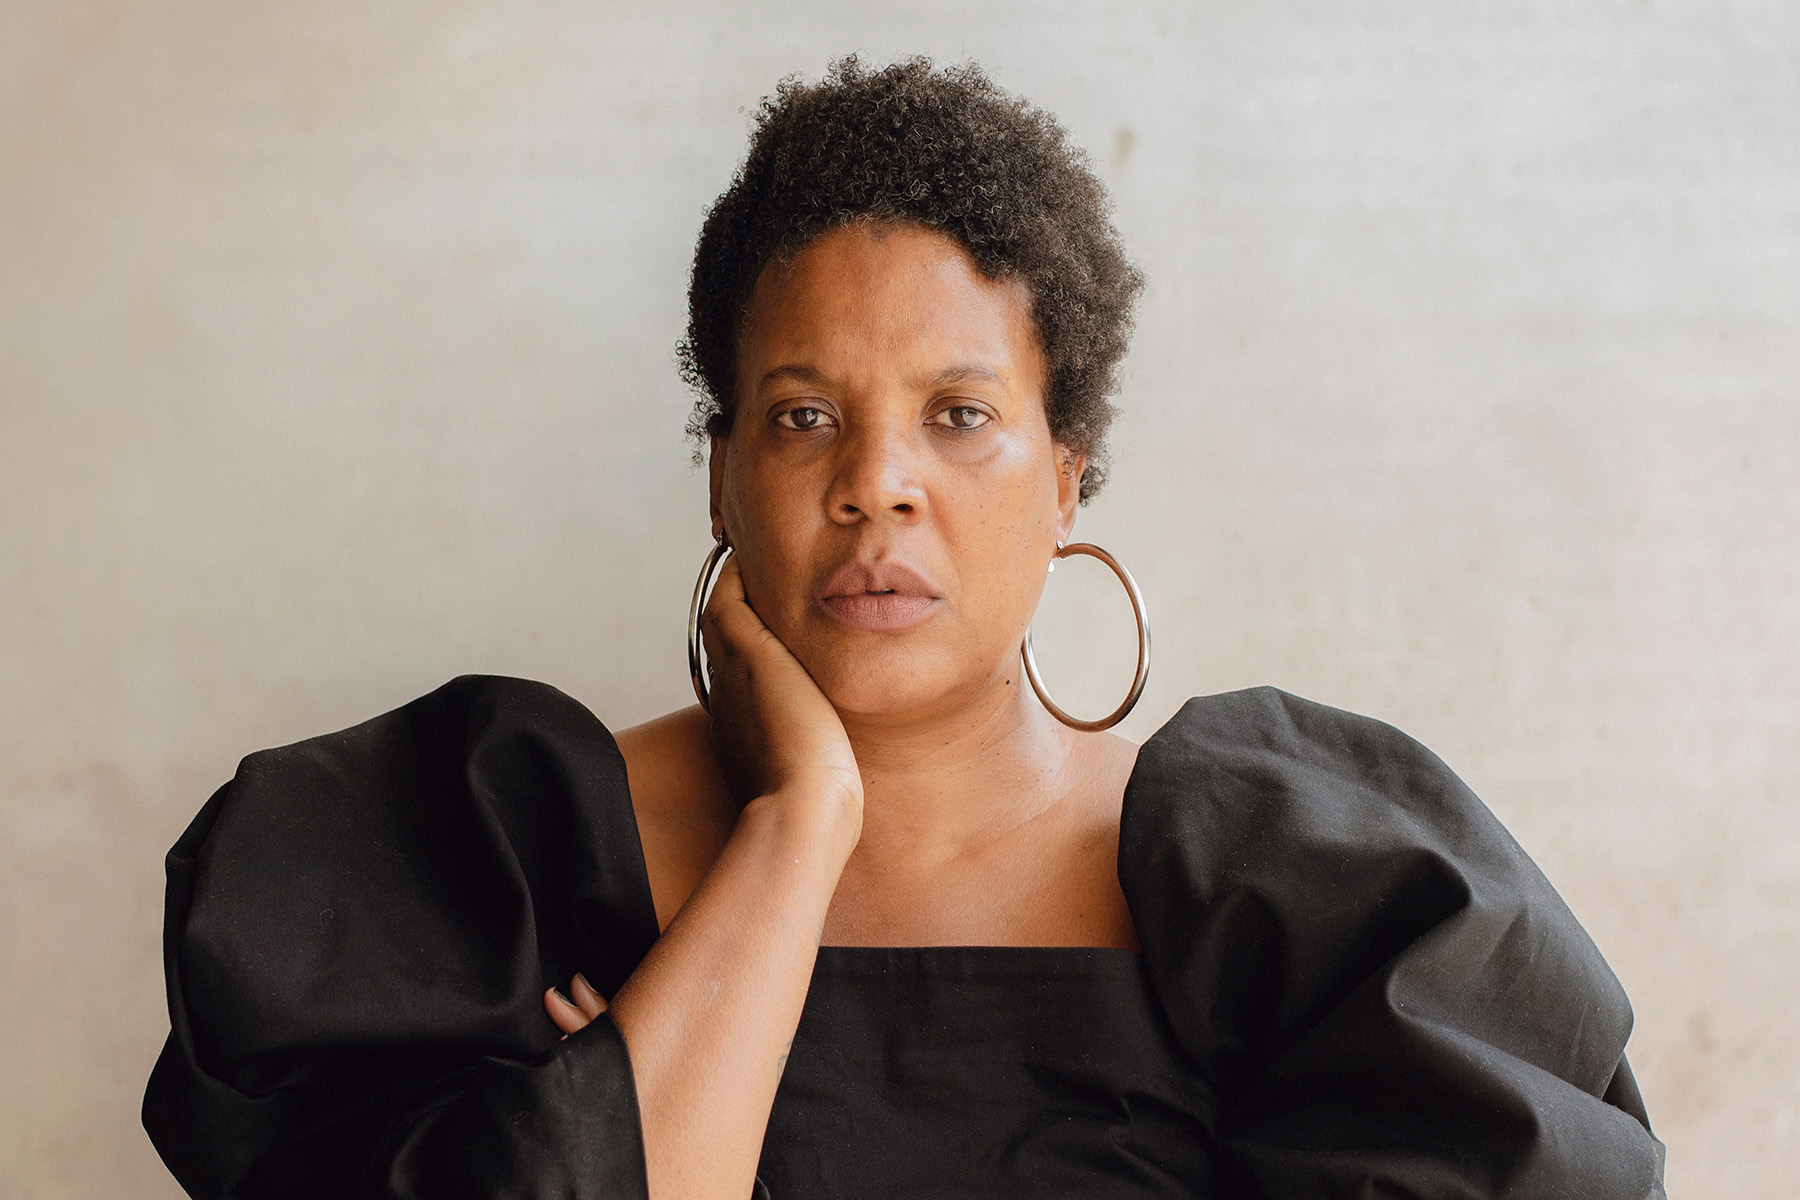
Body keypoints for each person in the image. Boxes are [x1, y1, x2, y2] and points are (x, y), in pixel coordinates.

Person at [143, 57, 1667, 1200]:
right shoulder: (496, 865)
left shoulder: (1294, 898)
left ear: (1067, 479)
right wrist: (802, 820)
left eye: (960, 418)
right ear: (726, 471)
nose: (878, 485)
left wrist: (631, 1097)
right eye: (804, 417)